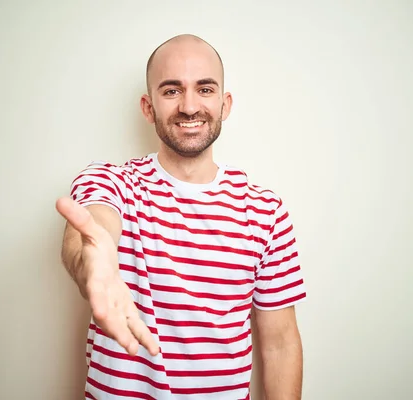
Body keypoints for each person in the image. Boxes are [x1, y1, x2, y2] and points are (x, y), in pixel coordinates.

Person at [56, 34, 306, 399]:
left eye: (204, 89)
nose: (190, 107)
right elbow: (92, 228)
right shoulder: (113, 183)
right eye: (171, 91)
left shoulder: (265, 212)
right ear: (147, 106)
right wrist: (93, 263)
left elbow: (281, 344)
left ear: (225, 104)